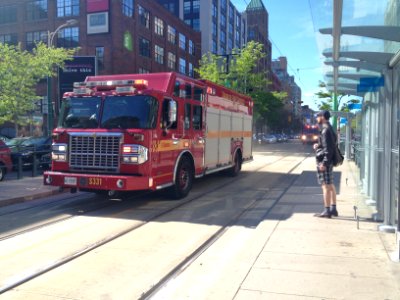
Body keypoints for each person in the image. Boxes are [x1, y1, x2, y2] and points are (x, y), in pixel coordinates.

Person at [313, 110, 338, 218]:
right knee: (331, 185)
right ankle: (333, 208)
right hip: (328, 160)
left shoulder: (325, 130)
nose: (316, 118)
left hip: (325, 161)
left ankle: (327, 210)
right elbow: (329, 145)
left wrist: (324, 163)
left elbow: (329, 149)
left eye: (318, 116)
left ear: (322, 117)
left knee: (326, 186)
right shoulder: (330, 128)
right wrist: (318, 145)